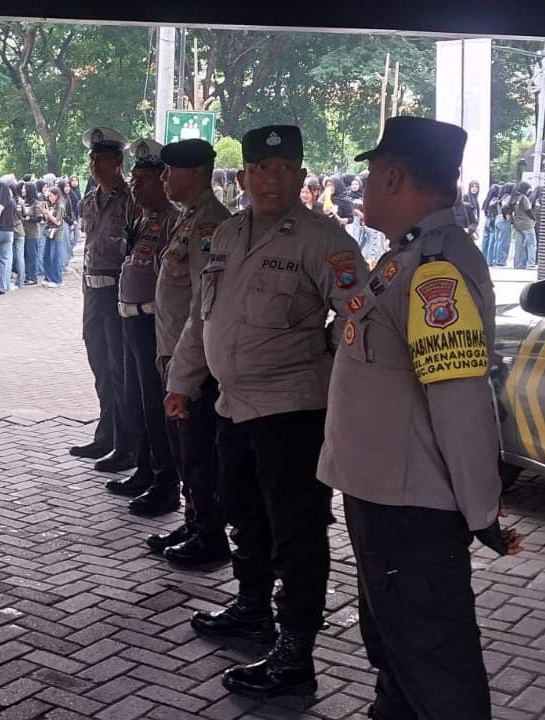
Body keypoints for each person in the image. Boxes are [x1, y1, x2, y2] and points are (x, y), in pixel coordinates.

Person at [319, 115, 524, 720]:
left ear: (396, 175)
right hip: (383, 500)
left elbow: (461, 404)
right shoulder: (401, 259)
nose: (363, 186)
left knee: (437, 670)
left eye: (371, 173)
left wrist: (481, 509)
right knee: (396, 654)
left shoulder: (436, 270)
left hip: (412, 512)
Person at [164, 125, 368, 698]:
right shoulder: (227, 235)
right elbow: (202, 319)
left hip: (293, 412)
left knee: (296, 532)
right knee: (243, 516)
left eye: (282, 169)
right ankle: (252, 608)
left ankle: (295, 650)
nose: (269, 179)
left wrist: (321, 366)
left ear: (301, 176)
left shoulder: (323, 241)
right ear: (244, 175)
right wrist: (183, 381)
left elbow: (360, 319)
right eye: (259, 169)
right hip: (234, 407)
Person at [148, 138, 232, 567]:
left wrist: (183, 366)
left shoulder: (210, 225)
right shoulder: (190, 219)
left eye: (169, 171)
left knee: (198, 448)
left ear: (195, 173)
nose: (163, 179)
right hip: (174, 352)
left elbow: (204, 304)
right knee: (183, 447)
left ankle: (209, 533)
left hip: (192, 359)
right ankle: (193, 518)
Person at [111, 139, 180, 517]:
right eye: (133, 181)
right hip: (131, 317)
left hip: (155, 321)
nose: (134, 188)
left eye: (142, 182)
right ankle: (143, 468)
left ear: (162, 181)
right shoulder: (142, 218)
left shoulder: (172, 219)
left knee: (156, 403)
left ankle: (164, 480)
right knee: (136, 398)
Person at [69, 128, 138, 472]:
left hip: (117, 292)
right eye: (92, 159)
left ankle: (125, 444)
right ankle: (106, 435)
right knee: (99, 365)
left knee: (118, 368)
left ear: (119, 163)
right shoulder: (89, 200)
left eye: (102, 159)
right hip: (92, 292)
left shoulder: (131, 201)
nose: (95, 165)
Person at [40, 186, 67, 287]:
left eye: (51, 196)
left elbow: (57, 221)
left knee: (54, 256)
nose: (49, 198)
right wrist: (43, 211)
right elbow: (48, 219)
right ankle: (48, 277)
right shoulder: (53, 206)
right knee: (46, 255)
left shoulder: (60, 206)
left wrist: (48, 213)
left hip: (57, 233)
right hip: (49, 232)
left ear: (56, 195)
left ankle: (57, 279)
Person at [511, 180, 537, 269]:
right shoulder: (524, 198)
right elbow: (528, 210)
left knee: (519, 245)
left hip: (518, 224)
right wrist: (534, 218)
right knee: (531, 244)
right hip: (527, 224)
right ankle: (531, 263)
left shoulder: (516, 198)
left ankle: (518, 264)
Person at [19, 182, 42, 286]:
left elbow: (39, 218)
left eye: (24, 188)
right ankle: (27, 275)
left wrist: (29, 219)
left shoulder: (36, 203)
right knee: (25, 255)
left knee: (32, 255)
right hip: (24, 232)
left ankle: (32, 277)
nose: (22, 190)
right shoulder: (23, 202)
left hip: (32, 233)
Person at [492, 182, 515, 267]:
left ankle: (495, 260)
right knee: (504, 242)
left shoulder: (501, 197)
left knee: (497, 241)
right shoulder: (509, 197)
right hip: (504, 219)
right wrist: (507, 215)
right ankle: (501, 261)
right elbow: (505, 207)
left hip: (498, 218)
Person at [479, 183, 501, 265]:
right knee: (492, 240)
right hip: (492, 219)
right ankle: (490, 260)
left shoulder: (487, 200)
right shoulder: (495, 200)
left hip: (487, 220)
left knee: (485, 240)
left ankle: (483, 258)